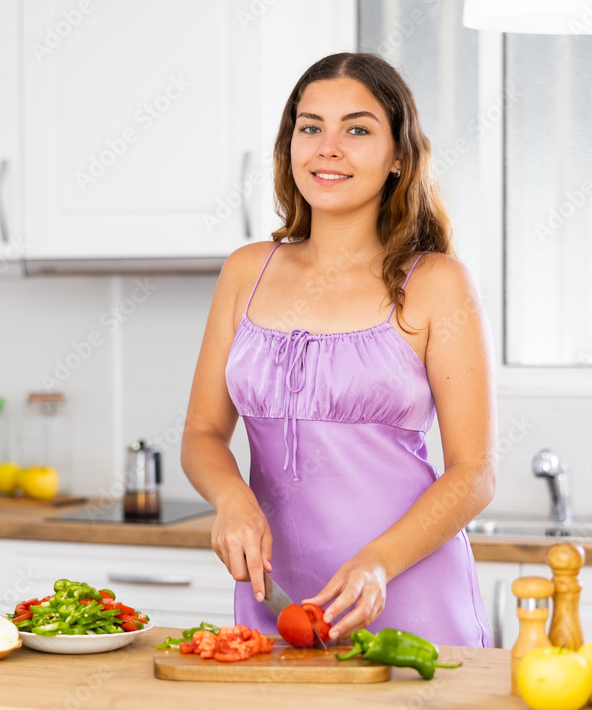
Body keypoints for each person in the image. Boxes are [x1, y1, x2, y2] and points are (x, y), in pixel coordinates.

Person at [181, 52, 496, 647]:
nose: (329, 148)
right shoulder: (246, 271)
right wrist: (232, 499)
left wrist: (377, 562)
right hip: (276, 600)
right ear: (290, 145)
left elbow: (474, 472)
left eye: (357, 129)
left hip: (406, 591)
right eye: (310, 127)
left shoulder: (435, 283)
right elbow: (201, 432)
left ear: (399, 155)